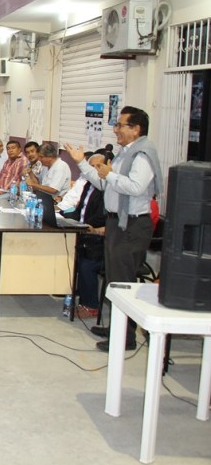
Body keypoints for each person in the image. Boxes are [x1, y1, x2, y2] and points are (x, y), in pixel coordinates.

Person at [65, 106, 164, 352]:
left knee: (124, 281)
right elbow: (104, 184)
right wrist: (82, 163)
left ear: (136, 129)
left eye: (120, 125)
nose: (116, 129)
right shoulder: (125, 153)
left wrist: (110, 175)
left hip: (131, 225)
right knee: (114, 279)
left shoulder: (142, 154)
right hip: (117, 222)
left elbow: (136, 187)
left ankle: (126, 338)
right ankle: (117, 327)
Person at [62, 153, 107, 319]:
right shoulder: (88, 185)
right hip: (84, 231)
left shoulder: (107, 190)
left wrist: (84, 227)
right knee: (68, 251)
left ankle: (91, 305)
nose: (94, 170)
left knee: (86, 264)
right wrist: (63, 217)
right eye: (91, 167)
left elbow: (102, 218)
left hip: (99, 238)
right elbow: (79, 209)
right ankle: (74, 291)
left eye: (98, 166)